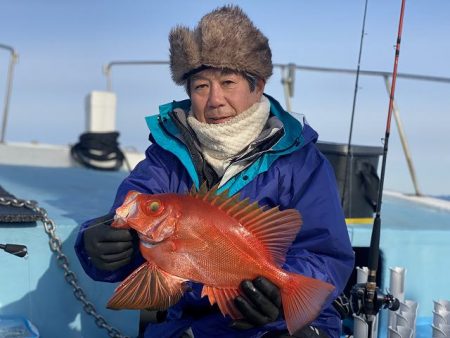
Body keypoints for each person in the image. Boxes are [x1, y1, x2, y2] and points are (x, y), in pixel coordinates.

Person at [75, 5, 354, 338]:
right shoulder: (165, 159)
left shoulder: (301, 163)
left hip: (283, 327)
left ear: (258, 85)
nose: (215, 100)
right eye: (200, 86)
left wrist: (278, 300)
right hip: (194, 323)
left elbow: (326, 253)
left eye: (228, 82)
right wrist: (97, 245)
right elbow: (133, 220)